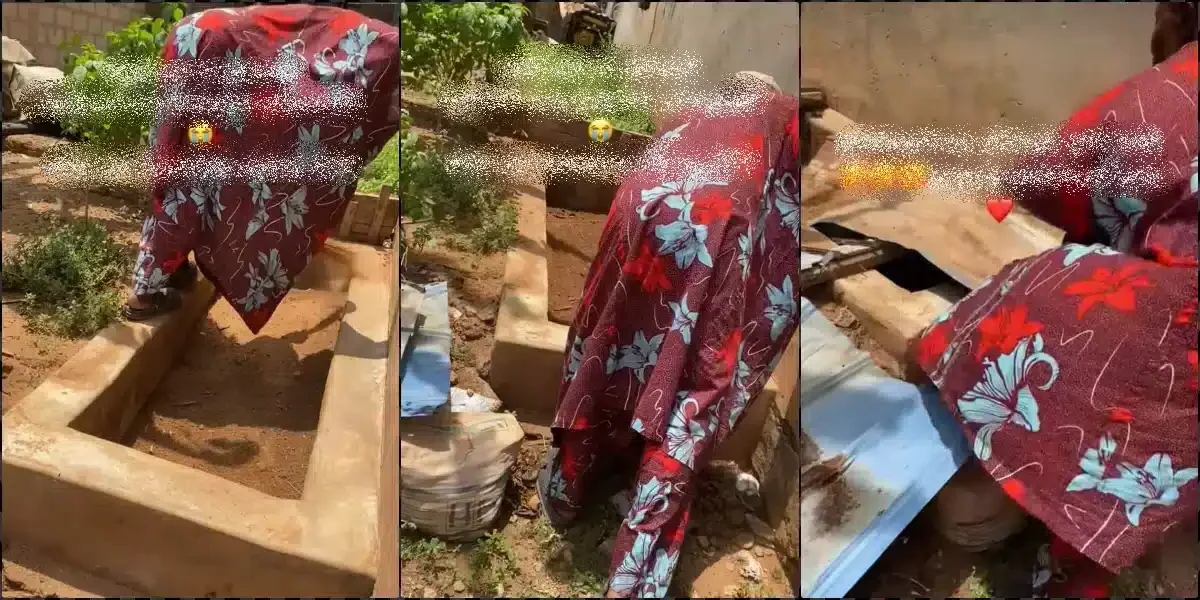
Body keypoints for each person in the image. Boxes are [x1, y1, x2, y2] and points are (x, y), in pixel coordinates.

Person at [906, 5, 1198, 596]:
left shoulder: (1163, 97)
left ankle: (1085, 511)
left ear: (1178, 18)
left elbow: (1050, 178)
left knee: (1056, 283)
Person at [536, 72, 801, 598]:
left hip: (642, 199)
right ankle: (635, 575)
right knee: (694, 394)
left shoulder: (695, 110)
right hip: (714, 223)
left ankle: (568, 491)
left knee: (608, 345)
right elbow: (785, 229)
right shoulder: (785, 118)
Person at [122, 4, 400, 333]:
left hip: (193, 40)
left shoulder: (321, 20)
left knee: (180, 162)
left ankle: (172, 268)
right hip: (214, 53)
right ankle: (145, 294)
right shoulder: (388, 42)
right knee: (193, 171)